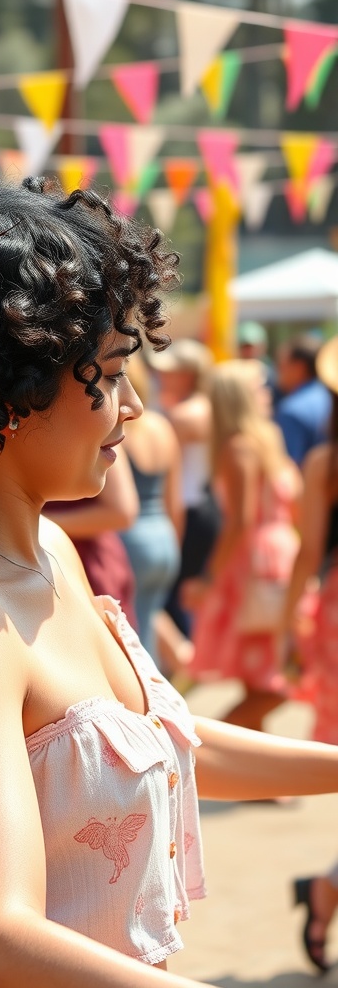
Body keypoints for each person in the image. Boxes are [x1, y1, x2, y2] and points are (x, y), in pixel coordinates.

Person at [0, 121, 338, 988]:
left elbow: (159, 741)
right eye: (112, 374)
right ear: (6, 391)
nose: (132, 411)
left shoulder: (44, 544)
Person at [184, 359, 302, 733]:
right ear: (242, 398)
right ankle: (219, 756)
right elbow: (244, 521)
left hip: (263, 562)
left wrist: (208, 576)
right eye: (259, 388)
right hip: (265, 562)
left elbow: (242, 522)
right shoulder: (253, 444)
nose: (267, 393)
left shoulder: (249, 443)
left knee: (275, 673)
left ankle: (213, 753)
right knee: (269, 672)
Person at [279, 335, 338, 971]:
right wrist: (291, 624)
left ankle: (326, 889)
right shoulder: (324, 461)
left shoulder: (325, 458)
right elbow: (307, 550)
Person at [148, 339, 221, 638]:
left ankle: (186, 664)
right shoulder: (207, 408)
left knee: (177, 599)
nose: (161, 377)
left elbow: (170, 480)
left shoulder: (184, 416)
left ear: (188, 375)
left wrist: (172, 531)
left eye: (170, 372)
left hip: (187, 511)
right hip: (204, 506)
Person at [119, 353, 183, 664]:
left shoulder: (117, 431)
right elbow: (175, 501)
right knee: (147, 627)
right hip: (165, 539)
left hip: (129, 541)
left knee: (131, 641)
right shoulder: (162, 427)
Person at [44, 447, 139, 629]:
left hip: (90, 564)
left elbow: (122, 512)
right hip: (60, 564)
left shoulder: (100, 434)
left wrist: (38, 522)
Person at [275, 333, 331, 466]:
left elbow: (290, 469)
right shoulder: (330, 398)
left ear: (299, 367)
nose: (278, 372)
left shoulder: (292, 410)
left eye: (282, 365)